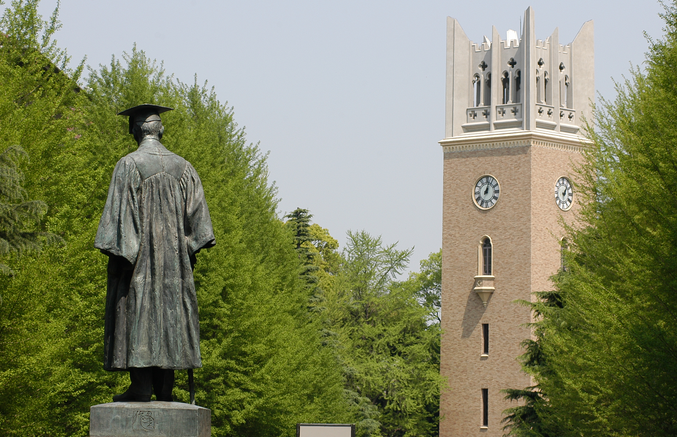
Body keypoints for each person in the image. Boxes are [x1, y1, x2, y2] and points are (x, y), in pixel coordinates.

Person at [95, 104, 215, 402]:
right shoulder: (185, 168)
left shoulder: (128, 165)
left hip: (139, 264)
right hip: (175, 265)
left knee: (139, 311)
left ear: (134, 130)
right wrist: (181, 252)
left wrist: (126, 256)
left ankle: (141, 386)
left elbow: (118, 228)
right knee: (171, 313)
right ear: (161, 129)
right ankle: (165, 388)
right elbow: (201, 230)